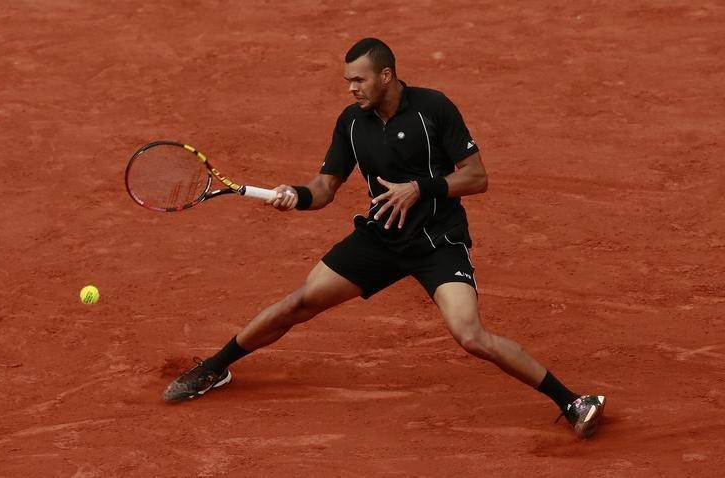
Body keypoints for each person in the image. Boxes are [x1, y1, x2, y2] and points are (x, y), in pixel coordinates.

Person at [163, 38, 606, 439]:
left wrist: (420, 188)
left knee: (470, 336)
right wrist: (293, 196)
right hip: (381, 239)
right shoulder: (352, 123)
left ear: (386, 75)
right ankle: (214, 368)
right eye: (347, 81)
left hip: (437, 241)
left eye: (359, 80)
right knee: (297, 304)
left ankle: (573, 401)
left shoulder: (434, 107)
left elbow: (476, 177)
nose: (351, 89)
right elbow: (324, 189)